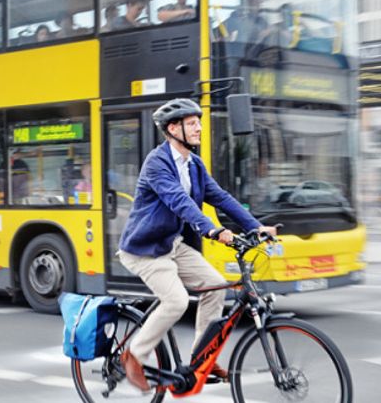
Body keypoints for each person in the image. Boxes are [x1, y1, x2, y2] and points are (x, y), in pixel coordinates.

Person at [116, 98, 277, 392]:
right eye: (192, 123)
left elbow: (221, 197)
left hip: (171, 244)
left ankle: (201, 357)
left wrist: (255, 226)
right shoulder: (157, 163)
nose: (199, 128)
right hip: (145, 250)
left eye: (198, 122)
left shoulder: (194, 164)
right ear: (172, 128)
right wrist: (212, 230)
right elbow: (179, 201)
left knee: (216, 287)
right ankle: (133, 356)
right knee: (176, 301)